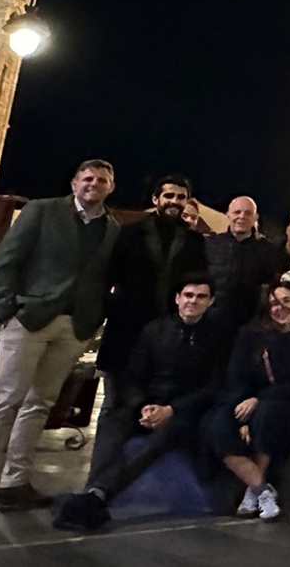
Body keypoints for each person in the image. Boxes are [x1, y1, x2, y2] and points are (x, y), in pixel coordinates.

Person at [0, 159, 121, 518]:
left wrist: (93, 320)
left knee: (40, 404)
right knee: (5, 401)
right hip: (30, 319)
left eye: (101, 180)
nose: (93, 184)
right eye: (87, 178)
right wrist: (7, 311)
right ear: (74, 182)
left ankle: (14, 482)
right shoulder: (42, 211)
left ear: (110, 187)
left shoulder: (112, 227)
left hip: (73, 327)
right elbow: (7, 261)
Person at [51, 276, 228, 531]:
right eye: (188, 295)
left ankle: (99, 496)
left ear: (210, 301)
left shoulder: (218, 337)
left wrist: (171, 410)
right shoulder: (154, 330)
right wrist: (143, 406)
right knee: (113, 424)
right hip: (147, 405)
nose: (193, 301)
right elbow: (132, 377)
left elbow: (214, 387)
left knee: (163, 437)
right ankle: (95, 492)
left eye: (201, 297)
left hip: (185, 411)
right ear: (178, 298)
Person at [203, 281, 290, 521]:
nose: (280, 308)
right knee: (216, 425)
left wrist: (257, 401)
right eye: (274, 304)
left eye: (286, 301)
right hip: (243, 397)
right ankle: (260, 488)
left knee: (268, 415)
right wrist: (244, 405)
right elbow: (237, 375)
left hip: (284, 400)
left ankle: (252, 491)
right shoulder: (250, 334)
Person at [97, 174, 207, 412]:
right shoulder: (129, 233)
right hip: (126, 329)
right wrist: (112, 310)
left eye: (181, 197)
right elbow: (107, 277)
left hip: (167, 334)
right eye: (169, 195)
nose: (174, 201)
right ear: (156, 199)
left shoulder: (194, 241)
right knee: (114, 405)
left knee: (155, 402)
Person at [203, 196, 286, 332]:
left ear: (256, 217)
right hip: (212, 323)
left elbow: (272, 286)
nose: (242, 217)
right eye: (237, 212)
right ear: (227, 215)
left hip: (251, 326)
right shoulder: (209, 245)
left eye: (248, 213)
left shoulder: (269, 251)